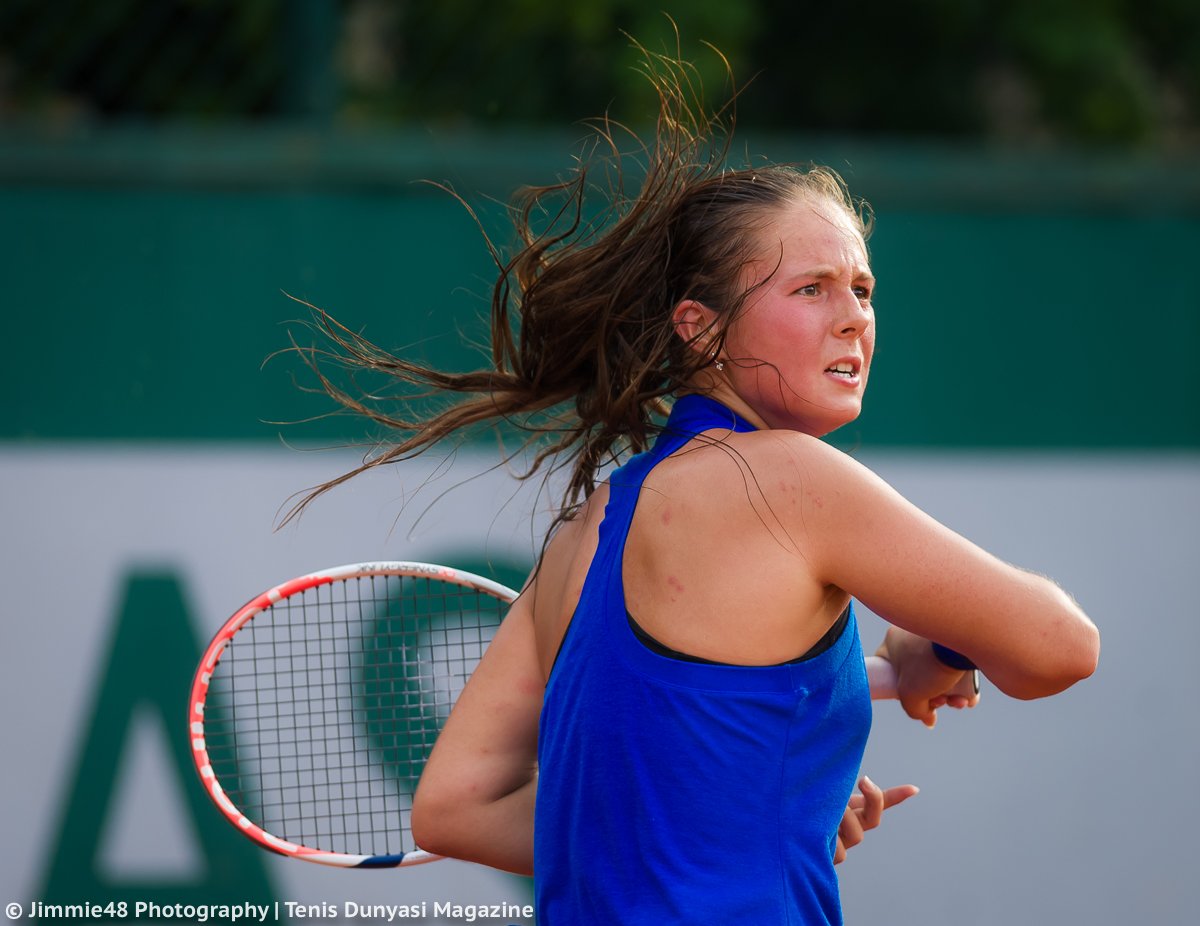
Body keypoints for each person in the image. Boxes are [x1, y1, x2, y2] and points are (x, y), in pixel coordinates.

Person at [295, 50, 1099, 926]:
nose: (853, 315)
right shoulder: (789, 480)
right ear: (700, 328)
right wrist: (937, 647)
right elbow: (1059, 646)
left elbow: (456, 808)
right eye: (811, 287)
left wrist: (742, 819)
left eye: (863, 288)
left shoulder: (581, 534)